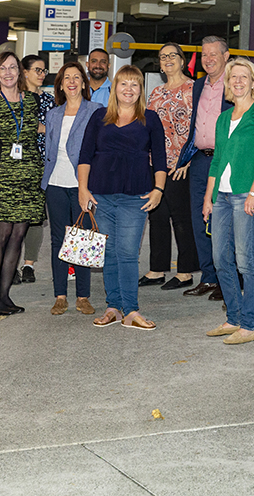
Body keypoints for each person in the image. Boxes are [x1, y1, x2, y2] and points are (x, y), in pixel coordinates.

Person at [78, 66, 168, 330]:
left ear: (141, 90)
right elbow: (85, 156)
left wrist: (159, 189)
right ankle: (113, 307)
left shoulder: (150, 119)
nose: (128, 90)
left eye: (135, 85)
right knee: (108, 253)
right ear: (114, 87)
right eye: (123, 84)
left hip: (135, 196)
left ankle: (131, 310)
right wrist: (83, 189)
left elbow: (161, 160)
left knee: (128, 253)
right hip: (101, 195)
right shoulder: (98, 117)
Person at [202, 59, 254, 345]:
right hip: (220, 196)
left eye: (244, 77)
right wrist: (208, 197)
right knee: (221, 259)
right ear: (228, 83)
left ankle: (250, 324)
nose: (238, 81)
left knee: (246, 261)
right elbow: (217, 160)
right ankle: (233, 318)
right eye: (234, 77)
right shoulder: (223, 118)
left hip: (247, 193)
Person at [0, 52, 45, 315]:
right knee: (2, 234)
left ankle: (4, 297)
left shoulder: (33, 100)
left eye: (13, 68)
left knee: (19, 236)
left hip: (31, 175)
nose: (8, 73)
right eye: (2, 68)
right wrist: (7, 171)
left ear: (20, 72)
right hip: (6, 177)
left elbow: (41, 128)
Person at [140, 43, 199, 291]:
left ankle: (185, 271)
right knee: (157, 216)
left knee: (182, 218)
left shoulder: (194, 89)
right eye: (163, 57)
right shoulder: (155, 93)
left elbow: (201, 126)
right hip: (157, 164)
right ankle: (157, 269)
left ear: (182, 61)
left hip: (181, 164)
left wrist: (189, 159)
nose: (167, 60)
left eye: (172, 55)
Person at [42, 61, 98, 316]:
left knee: (83, 240)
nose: (72, 82)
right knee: (58, 241)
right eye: (67, 78)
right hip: (55, 183)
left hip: (81, 185)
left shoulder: (96, 111)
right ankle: (60, 296)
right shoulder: (53, 114)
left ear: (84, 84)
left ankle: (83, 297)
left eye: (77, 77)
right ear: (61, 85)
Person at [179, 35, 231, 299]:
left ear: (226, 56)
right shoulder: (198, 85)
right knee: (200, 219)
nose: (208, 59)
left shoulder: (234, 85)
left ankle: (227, 280)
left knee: (223, 220)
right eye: (204, 55)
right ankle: (208, 278)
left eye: (214, 54)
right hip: (200, 160)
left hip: (226, 160)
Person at [17, 54, 54, 284]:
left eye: (44, 71)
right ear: (25, 72)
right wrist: (40, 128)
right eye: (37, 70)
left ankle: (28, 264)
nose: (42, 74)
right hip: (18, 165)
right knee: (14, 217)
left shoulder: (49, 100)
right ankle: (9, 264)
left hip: (42, 164)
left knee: (36, 217)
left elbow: (53, 130)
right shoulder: (15, 98)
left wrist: (40, 129)